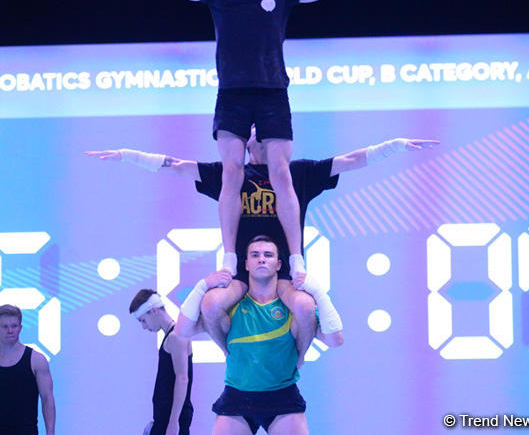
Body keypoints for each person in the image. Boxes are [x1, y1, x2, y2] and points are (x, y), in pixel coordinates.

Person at [70, 0, 427, 288]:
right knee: (231, 172)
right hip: (232, 95)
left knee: (281, 173)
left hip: (273, 94)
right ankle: (228, 256)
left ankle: (296, 258)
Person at [88, 129, 437, 359]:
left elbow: (351, 160)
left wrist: (394, 146)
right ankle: (236, 358)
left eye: (263, 137)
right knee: (210, 307)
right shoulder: (230, 173)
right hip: (241, 275)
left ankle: (295, 363)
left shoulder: (296, 173)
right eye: (252, 137)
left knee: (303, 308)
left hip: (281, 273)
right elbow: (175, 165)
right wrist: (127, 154)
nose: (256, 142)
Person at [210, 235, 342, 434]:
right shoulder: (231, 306)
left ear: (279, 264)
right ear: (246, 264)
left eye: (268, 255)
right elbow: (184, 329)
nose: (261, 259)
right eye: (255, 255)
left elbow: (335, 339)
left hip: (283, 399)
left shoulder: (295, 309)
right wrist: (204, 286)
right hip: (236, 399)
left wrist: (318, 292)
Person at [130, 285, 218, 435]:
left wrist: (173, 422)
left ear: (154, 311)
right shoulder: (171, 336)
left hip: (172, 419)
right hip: (165, 417)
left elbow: (182, 379)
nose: (144, 327)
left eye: (143, 320)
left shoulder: (176, 337)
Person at [0, 304, 56, 435]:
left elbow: (47, 398)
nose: (10, 330)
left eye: (14, 326)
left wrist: (50, 432)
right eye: (5, 327)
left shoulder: (36, 360)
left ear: (20, 328)